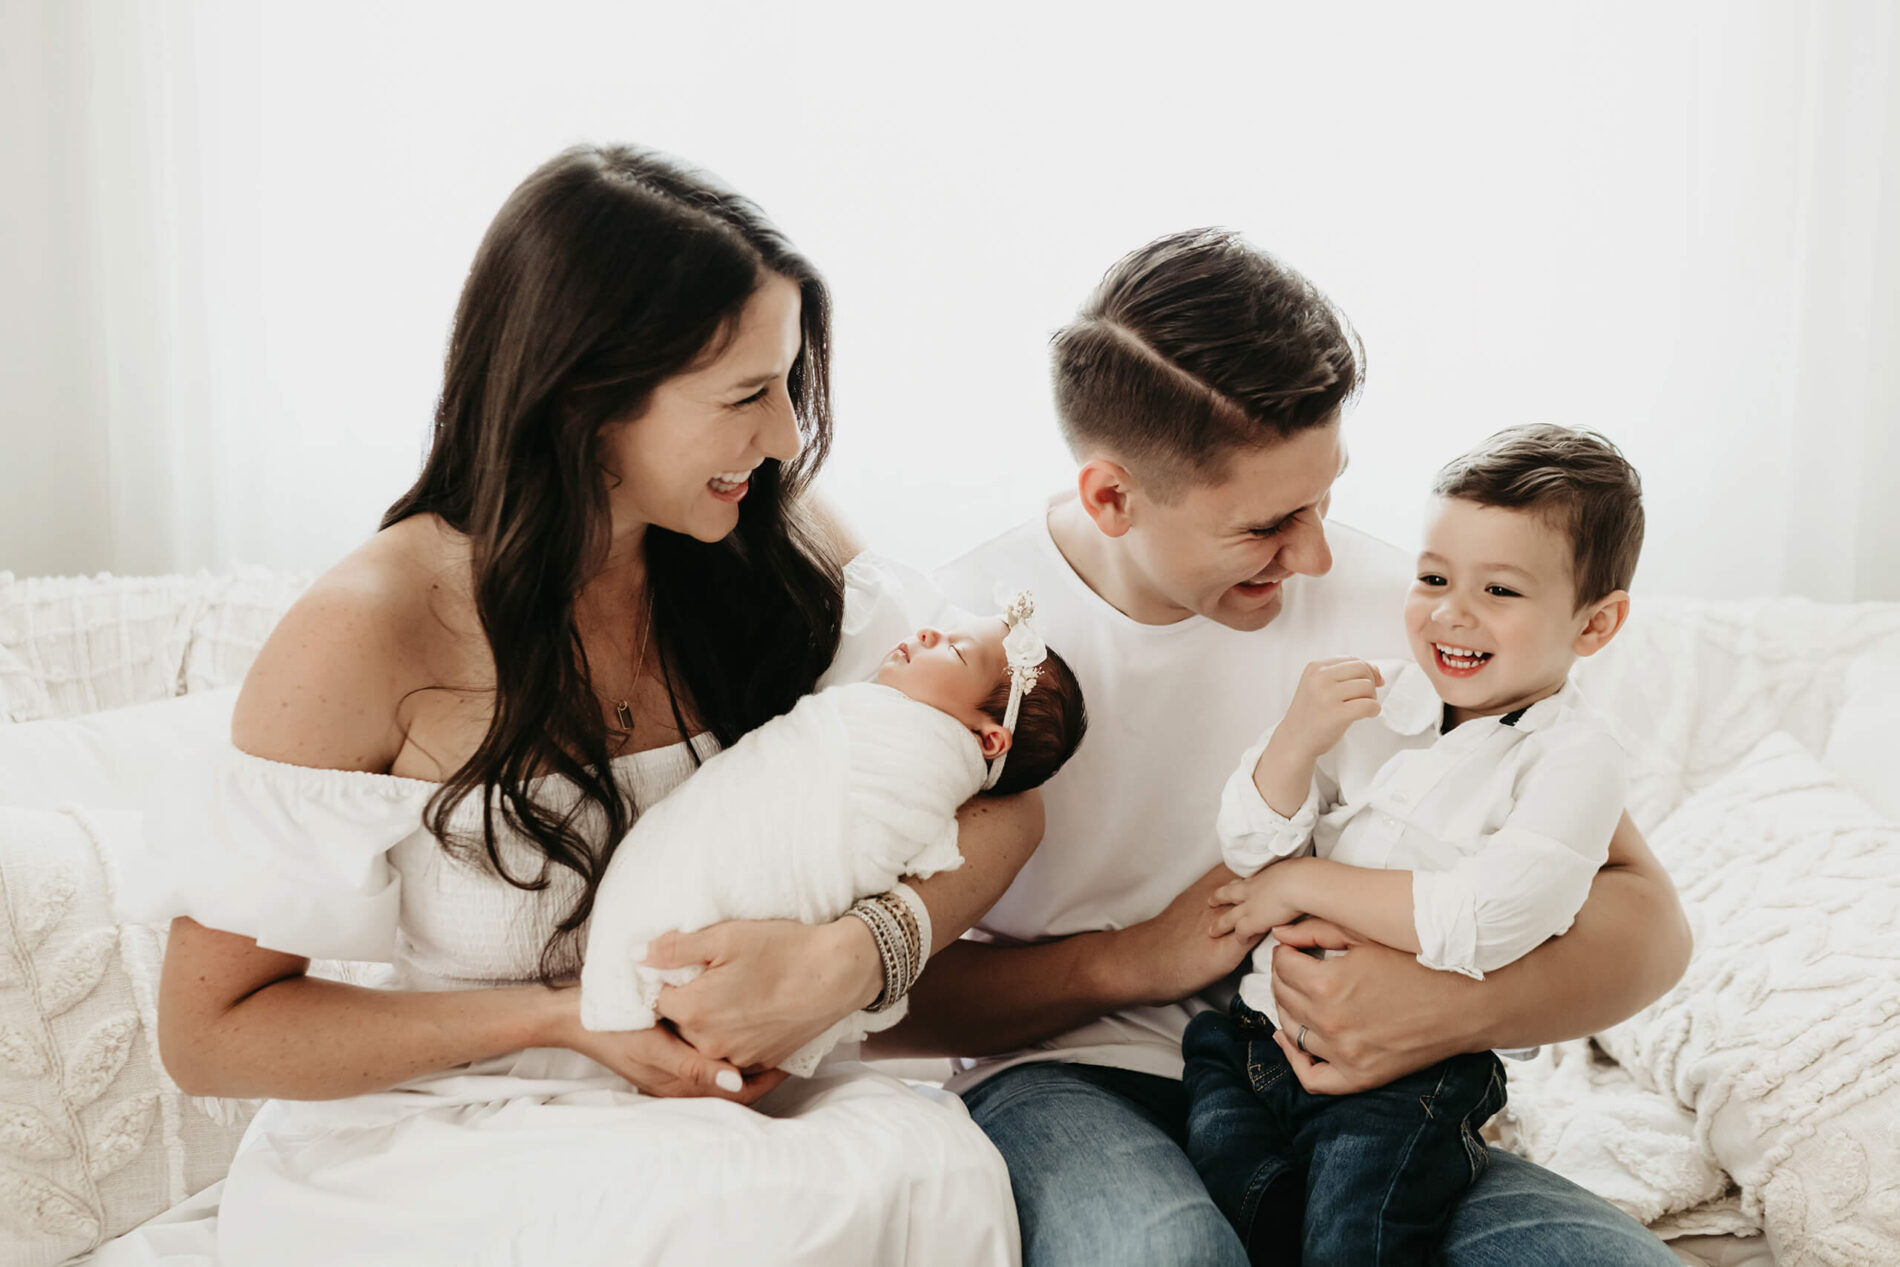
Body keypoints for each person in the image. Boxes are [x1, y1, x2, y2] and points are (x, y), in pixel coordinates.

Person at [120, 145, 1040, 1265]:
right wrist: (567, 1022)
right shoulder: (371, 627)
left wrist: (852, 956)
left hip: (730, 1110)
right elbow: (211, 1034)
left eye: (789, 385)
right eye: (746, 396)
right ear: (587, 398)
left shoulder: (780, 551)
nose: (788, 438)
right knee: (742, 1224)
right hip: (454, 1134)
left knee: (935, 1174)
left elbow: (1006, 797)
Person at [889, 229, 1692, 1266]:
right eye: (1269, 523)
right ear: (1110, 497)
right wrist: (1132, 959)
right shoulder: (959, 647)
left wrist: (1444, 1008)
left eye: (1325, 498)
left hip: (1358, 1084)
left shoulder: (1415, 616)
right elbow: (877, 1005)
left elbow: (1649, 927)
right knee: (1167, 1255)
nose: (1315, 554)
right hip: (1066, 1075)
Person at [1182, 424, 1646, 1265]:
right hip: (1257, 1037)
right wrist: (1295, 739)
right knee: (1239, 1204)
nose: (1449, 611)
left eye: (1500, 591)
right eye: (1432, 577)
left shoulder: (1574, 756)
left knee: (1356, 1235)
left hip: (1410, 1080)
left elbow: (1488, 917)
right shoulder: (1379, 700)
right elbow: (1251, 849)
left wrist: (1304, 884)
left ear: (1596, 624)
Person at [582, 584, 1087, 1077]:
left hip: (738, 952)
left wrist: (856, 954)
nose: (930, 631)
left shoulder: (919, 761)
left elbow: (872, 836)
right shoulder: (877, 709)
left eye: (955, 649)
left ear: (990, 738)